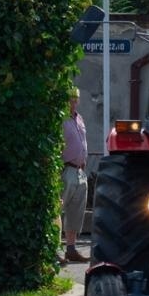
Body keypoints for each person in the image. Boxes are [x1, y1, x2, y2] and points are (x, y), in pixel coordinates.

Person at [61, 85, 90, 264]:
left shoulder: (79, 119)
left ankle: (71, 248)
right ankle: (53, 250)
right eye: (70, 98)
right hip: (67, 168)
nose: (73, 102)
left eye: (75, 98)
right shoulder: (61, 119)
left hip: (80, 170)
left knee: (76, 212)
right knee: (58, 210)